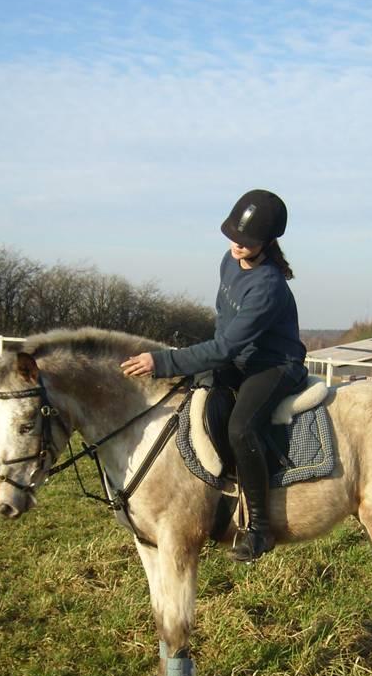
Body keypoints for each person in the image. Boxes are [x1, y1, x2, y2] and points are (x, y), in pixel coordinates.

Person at [121, 189, 307, 561]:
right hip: (238, 357)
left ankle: (258, 529)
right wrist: (199, 367)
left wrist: (163, 361)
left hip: (274, 365)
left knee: (242, 427)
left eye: (247, 241)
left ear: (267, 242)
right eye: (234, 236)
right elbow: (223, 329)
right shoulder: (229, 261)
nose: (238, 245)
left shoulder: (268, 286)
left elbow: (226, 347)